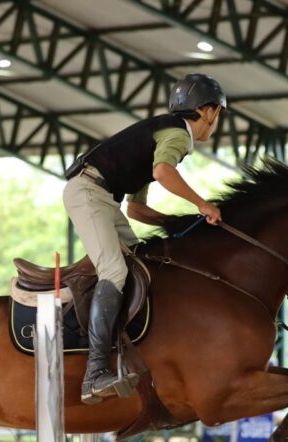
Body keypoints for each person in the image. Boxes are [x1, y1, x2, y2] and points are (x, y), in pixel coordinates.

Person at [63, 73, 226, 404]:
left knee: (139, 264)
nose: (216, 122)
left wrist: (181, 223)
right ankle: (94, 373)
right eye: (218, 114)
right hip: (89, 193)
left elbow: (137, 209)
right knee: (115, 271)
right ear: (208, 111)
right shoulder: (179, 135)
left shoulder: (157, 134)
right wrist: (202, 204)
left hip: (103, 197)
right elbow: (163, 173)